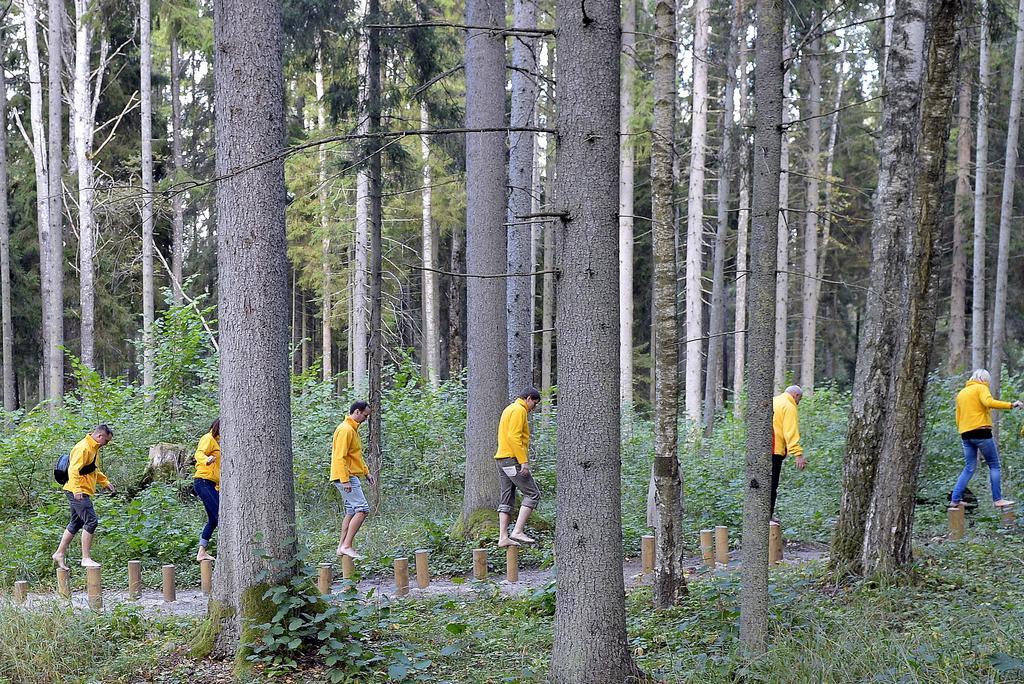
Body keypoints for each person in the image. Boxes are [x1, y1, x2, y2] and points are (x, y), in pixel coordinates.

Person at [949, 369, 1021, 510]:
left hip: (965, 434)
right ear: (983, 379)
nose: (987, 383)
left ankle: (955, 499)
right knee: (994, 465)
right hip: (981, 432)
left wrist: (964, 430)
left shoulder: (962, 393)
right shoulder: (981, 388)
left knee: (969, 468)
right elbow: (988, 402)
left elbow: (958, 417)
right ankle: (998, 499)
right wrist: (1011, 405)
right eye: (987, 381)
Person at [51, 425, 116, 570]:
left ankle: (59, 553)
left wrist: (106, 482)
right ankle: (86, 558)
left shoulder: (93, 449)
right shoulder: (84, 447)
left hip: (81, 490)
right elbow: (73, 469)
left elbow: (92, 470)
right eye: (106, 441)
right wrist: (77, 490)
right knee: (91, 521)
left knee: (77, 522)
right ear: (99, 436)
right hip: (77, 491)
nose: (106, 444)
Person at [495, 388, 542, 547]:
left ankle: (503, 537)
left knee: (507, 497)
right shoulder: (519, 410)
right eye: (534, 404)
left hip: (502, 459)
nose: (533, 409)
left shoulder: (509, 409)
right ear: (528, 398)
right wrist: (523, 461)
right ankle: (518, 531)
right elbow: (514, 437)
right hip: (512, 459)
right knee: (533, 494)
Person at [331, 401, 373, 559]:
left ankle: (341, 546)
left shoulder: (353, 429)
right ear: (357, 412)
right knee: (362, 510)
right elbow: (339, 457)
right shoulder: (345, 429)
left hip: (351, 475)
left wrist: (366, 472)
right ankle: (347, 545)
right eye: (365, 415)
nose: (365, 418)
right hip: (345, 477)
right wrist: (345, 480)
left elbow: (355, 456)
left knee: (351, 511)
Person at [771, 385, 807, 520]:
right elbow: (790, 432)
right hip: (775, 450)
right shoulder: (789, 406)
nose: (798, 403)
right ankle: (767, 516)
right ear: (796, 396)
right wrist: (798, 454)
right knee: (772, 484)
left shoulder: (774, 400)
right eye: (799, 399)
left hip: (762, 450)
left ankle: (766, 515)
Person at [194, 417, 221, 562]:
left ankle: (202, 551)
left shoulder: (218, 443)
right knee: (220, 515)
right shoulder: (208, 438)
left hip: (211, 484)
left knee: (213, 520)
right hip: (203, 481)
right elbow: (199, 453)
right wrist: (207, 459)